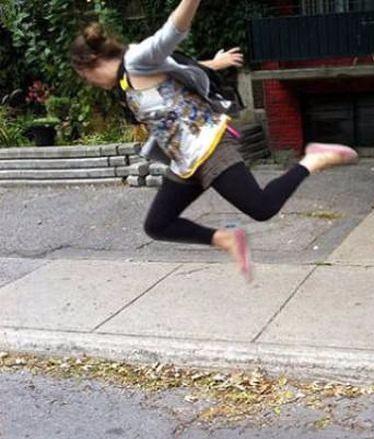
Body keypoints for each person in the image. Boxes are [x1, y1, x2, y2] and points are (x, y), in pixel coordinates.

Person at [70, 0, 358, 281]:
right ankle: (227, 239)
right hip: (185, 161)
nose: (89, 83)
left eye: (84, 78)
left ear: (90, 65)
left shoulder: (136, 60)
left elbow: (172, 31)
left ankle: (312, 160)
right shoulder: (129, 78)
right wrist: (215, 64)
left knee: (261, 207)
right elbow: (176, 67)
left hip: (210, 145)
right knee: (158, 224)